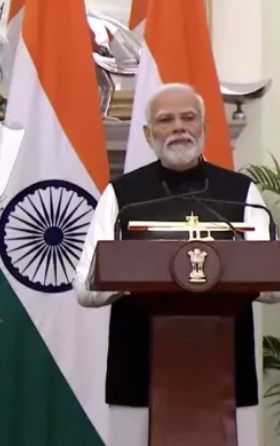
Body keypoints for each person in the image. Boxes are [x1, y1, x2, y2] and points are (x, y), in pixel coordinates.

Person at [72, 82, 280, 446]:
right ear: (147, 133)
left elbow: (272, 284)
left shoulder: (241, 193)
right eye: (165, 120)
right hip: (138, 370)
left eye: (188, 117)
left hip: (225, 370)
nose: (179, 127)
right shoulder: (122, 195)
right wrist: (133, 278)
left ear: (205, 127)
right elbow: (84, 288)